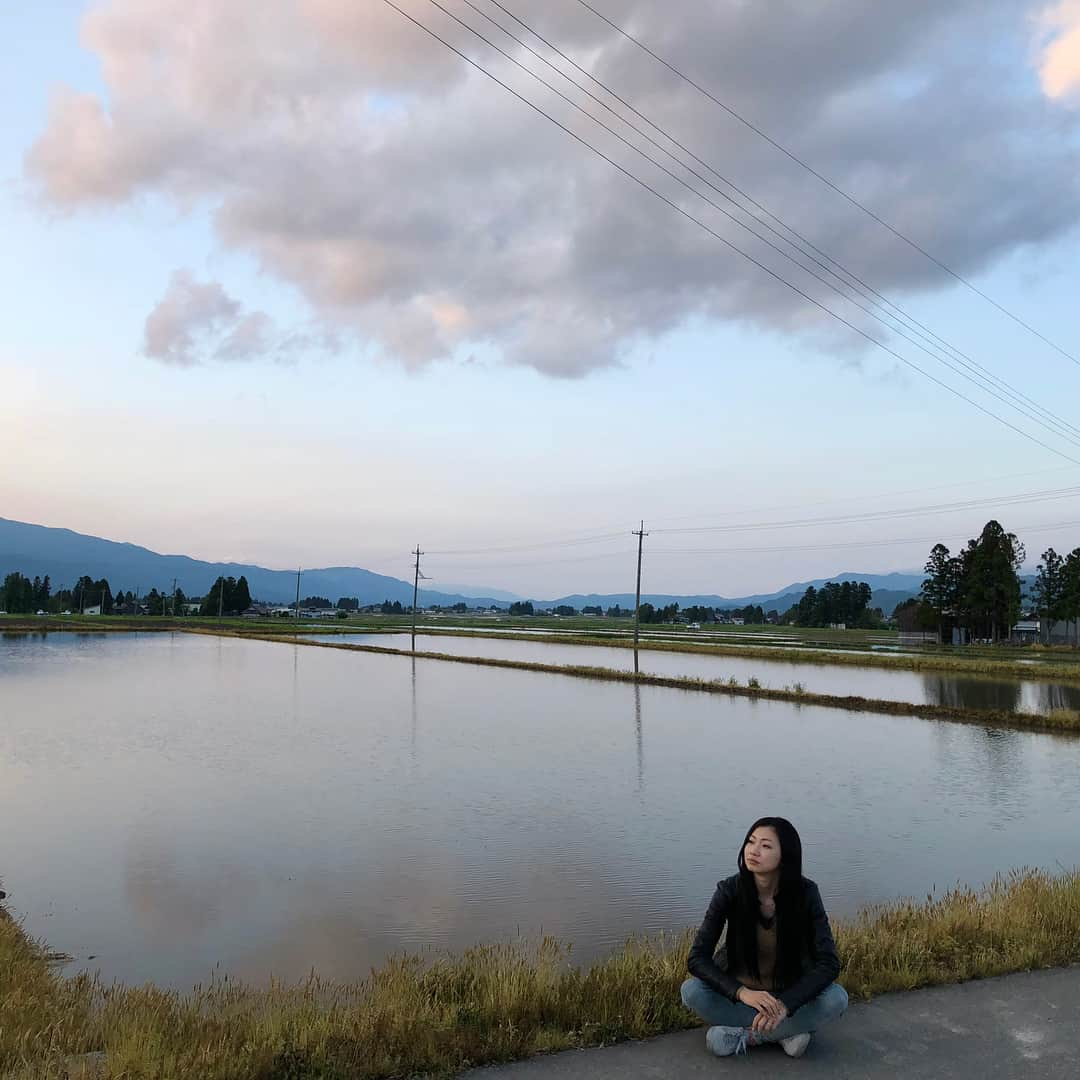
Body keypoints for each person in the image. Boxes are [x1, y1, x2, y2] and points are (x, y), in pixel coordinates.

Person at [680, 816, 848, 1058]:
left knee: (836, 999)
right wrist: (742, 992)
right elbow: (697, 958)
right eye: (751, 842)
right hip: (741, 999)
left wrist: (785, 1005)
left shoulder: (806, 894)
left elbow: (829, 963)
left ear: (785, 856)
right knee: (691, 992)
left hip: (788, 999)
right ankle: (787, 1034)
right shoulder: (729, 890)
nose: (753, 851)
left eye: (766, 846)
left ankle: (746, 1036)